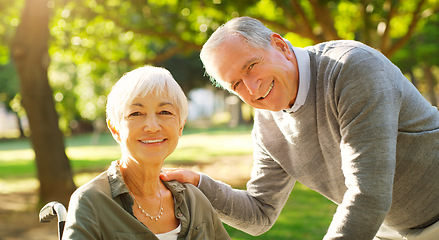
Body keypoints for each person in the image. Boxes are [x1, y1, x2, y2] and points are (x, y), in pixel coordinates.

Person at [161, 16, 439, 240]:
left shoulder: (353, 68)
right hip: (385, 228)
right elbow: (260, 213)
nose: (252, 87)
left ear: (280, 46)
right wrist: (199, 184)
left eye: (251, 65)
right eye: (236, 84)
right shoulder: (268, 126)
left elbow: (369, 192)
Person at [62, 66, 230, 240]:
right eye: (136, 113)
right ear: (115, 128)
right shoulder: (91, 202)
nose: (152, 126)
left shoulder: (194, 200)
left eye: (165, 112)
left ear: (180, 126)